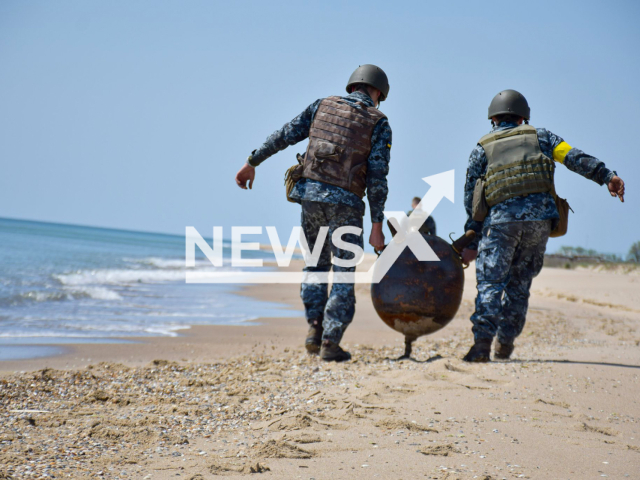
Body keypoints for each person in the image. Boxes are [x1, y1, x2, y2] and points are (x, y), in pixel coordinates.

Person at [234, 65, 392, 362]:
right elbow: (377, 177)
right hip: (346, 206)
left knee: (315, 265)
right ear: (379, 92)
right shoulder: (379, 121)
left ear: (352, 86)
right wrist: (376, 223)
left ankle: (314, 328)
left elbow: (285, 135)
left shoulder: (322, 105)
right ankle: (331, 341)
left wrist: (252, 161)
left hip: (311, 200)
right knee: (343, 274)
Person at [461, 89, 625, 362]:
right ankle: (505, 344)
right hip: (539, 225)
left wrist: (473, 238)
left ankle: (481, 345)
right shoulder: (543, 137)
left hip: (500, 224)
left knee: (491, 284)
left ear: (494, 119)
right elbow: (574, 157)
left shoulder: (482, 148)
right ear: (523, 117)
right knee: (519, 285)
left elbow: (472, 198)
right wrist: (606, 175)